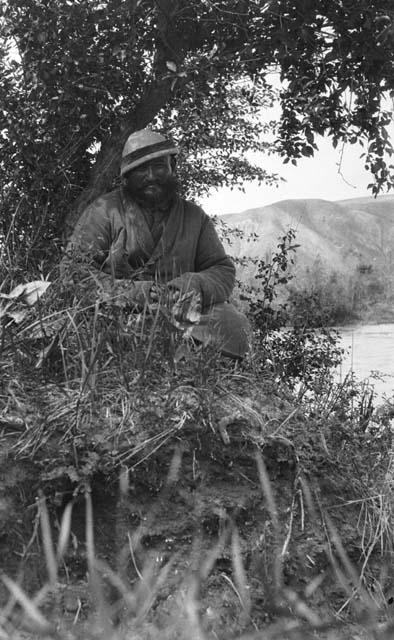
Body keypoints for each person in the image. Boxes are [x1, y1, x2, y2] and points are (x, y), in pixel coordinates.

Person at [63, 129, 251, 358]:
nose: (151, 176)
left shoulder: (194, 216)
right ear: (127, 177)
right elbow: (72, 272)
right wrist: (135, 293)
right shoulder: (104, 210)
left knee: (233, 323)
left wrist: (192, 284)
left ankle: (173, 347)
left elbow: (221, 269)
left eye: (159, 166)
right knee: (104, 323)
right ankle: (164, 348)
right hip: (122, 311)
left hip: (182, 313)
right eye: (141, 169)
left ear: (172, 167)